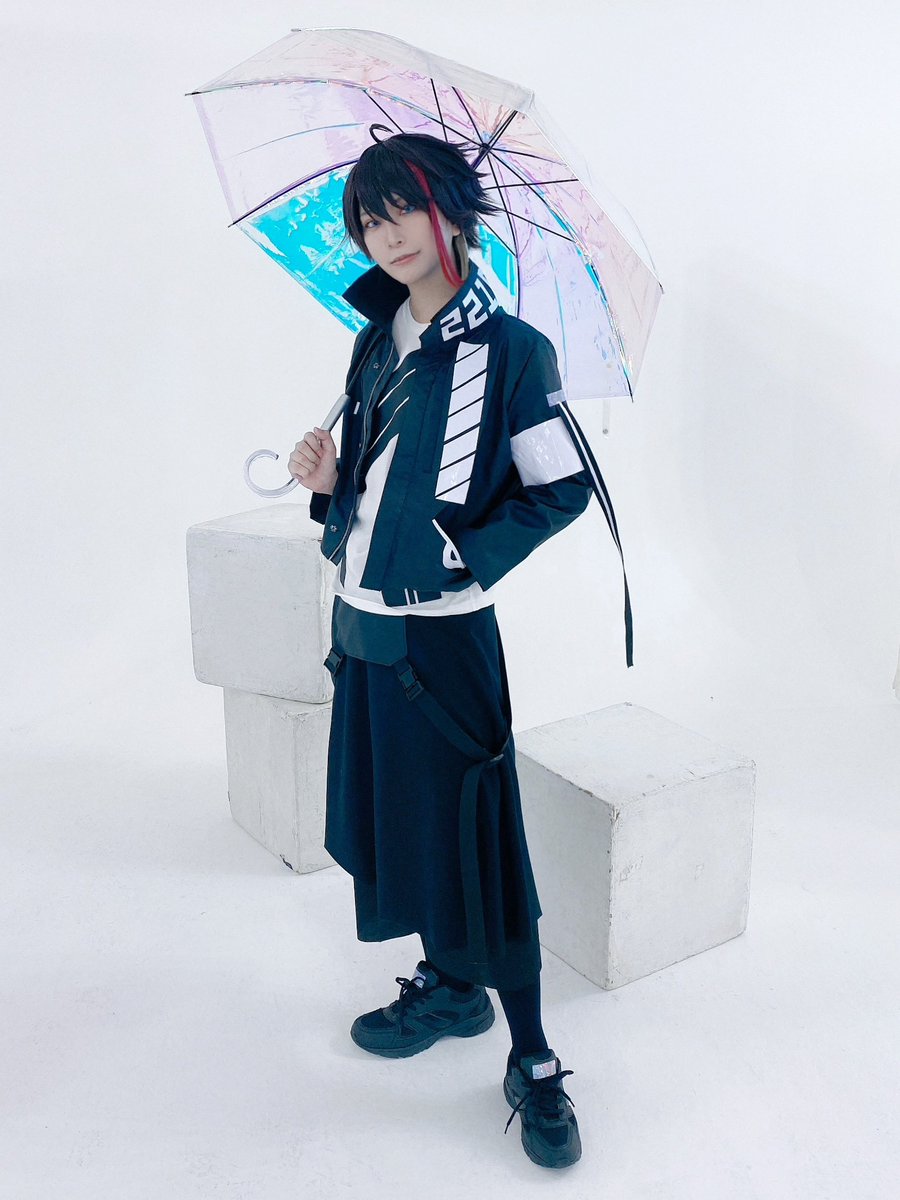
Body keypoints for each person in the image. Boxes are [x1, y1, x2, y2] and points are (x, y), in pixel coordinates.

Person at [291, 127, 596, 1171]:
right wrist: (328, 484)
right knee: (403, 820)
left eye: (404, 209)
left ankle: (535, 1057)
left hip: (447, 643)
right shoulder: (375, 342)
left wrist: (466, 557)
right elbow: (377, 484)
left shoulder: (514, 352)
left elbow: (561, 487)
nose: (387, 236)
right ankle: (454, 988)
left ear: (452, 208)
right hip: (361, 626)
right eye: (369, 220)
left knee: (478, 840)